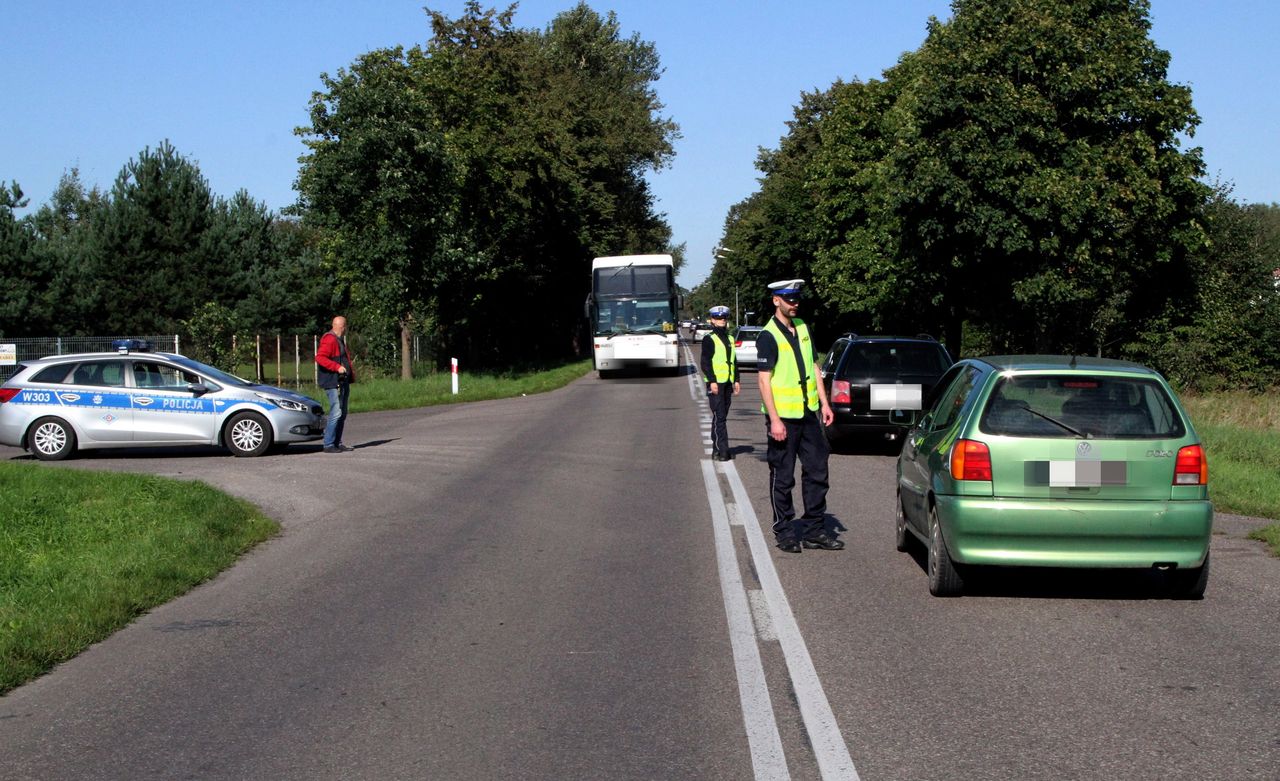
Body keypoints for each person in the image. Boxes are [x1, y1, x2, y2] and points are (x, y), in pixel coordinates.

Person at [756, 279, 844, 553]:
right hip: (783, 417)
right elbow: (763, 381)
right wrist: (775, 419)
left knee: (818, 471)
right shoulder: (768, 335)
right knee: (783, 477)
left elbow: (814, 367)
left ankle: (814, 530)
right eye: (789, 299)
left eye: (796, 298)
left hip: (809, 414)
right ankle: (784, 531)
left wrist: (825, 403)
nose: (795, 303)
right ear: (776, 301)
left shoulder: (803, 327)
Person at [700, 305, 740, 461]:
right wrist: (712, 380)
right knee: (720, 417)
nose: (721, 320)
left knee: (720, 417)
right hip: (716, 383)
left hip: (727, 383)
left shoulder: (730, 338)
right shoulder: (709, 339)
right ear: (712, 320)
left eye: (724, 318)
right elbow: (705, 362)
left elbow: (733, 361)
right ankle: (723, 451)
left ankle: (716, 448)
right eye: (718, 318)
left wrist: (736, 380)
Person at [315, 315, 355, 453]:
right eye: (345, 326)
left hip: (342, 381)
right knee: (336, 412)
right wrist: (336, 367)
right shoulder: (330, 339)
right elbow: (320, 357)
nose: (345, 329)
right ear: (341, 326)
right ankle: (329, 444)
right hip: (333, 382)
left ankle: (337, 442)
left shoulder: (338, 340)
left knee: (342, 413)